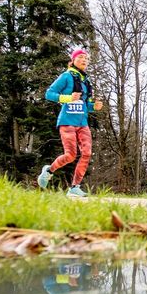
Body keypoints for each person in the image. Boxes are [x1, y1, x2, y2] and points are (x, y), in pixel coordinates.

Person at [37, 49, 103, 198]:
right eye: (80, 57)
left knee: (86, 153)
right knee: (71, 155)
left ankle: (74, 187)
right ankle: (49, 171)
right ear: (73, 60)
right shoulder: (66, 76)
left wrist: (95, 107)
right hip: (67, 121)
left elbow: (86, 103)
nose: (84, 60)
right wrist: (68, 98)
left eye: (86, 58)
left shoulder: (86, 81)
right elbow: (49, 94)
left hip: (82, 122)